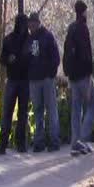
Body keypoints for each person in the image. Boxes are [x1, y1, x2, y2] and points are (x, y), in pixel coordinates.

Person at [63, 0, 94, 156]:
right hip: (84, 75)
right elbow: (86, 54)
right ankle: (82, 140)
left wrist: (68, 72)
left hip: (73, 75)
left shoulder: (71, 28)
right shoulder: (83, 28)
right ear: (83, 11)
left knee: (76, 110)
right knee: (93, 105)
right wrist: (90, 73)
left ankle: (74, 143)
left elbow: (66, 51)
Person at [0, 14, 30, 155]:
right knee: (7, 113)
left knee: (23, 113)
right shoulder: (9, 39)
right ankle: (2, 144)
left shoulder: (29, 40)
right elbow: (2, 58)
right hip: (13, 79)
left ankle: (21, 143)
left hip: (24, 80)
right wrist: (8, 59)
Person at [26, 12, 61, 153]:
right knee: (38, 111)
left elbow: (56, 57)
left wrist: (50, 74)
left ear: (38, 23)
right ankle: (39, 142)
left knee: (51, 110)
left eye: (33, 23)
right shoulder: (29, 39)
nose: (31, 26)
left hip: (46, 79)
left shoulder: (48, 36)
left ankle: (54, 141)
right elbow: (27, 57)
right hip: (34, 80)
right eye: (30, 24)